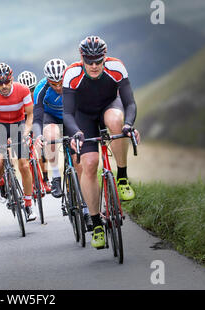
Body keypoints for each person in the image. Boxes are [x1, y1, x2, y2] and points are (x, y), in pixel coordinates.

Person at [63, 35, 140, 248]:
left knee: (116, 121)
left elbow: (130, 103)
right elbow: (67, 113)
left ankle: (122, 178)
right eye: (89, 61)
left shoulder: (116, 67)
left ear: (105, 56)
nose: (94, 65)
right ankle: (96, 223)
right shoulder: (72, 74)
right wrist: (76, 132)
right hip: (83, 117)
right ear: (82, 57)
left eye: (98, 60)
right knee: (88, 164)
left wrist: (129, 125)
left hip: (109, 106)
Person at [0, 62, 37, 221]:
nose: (4, 86)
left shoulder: (23, 90)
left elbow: (30, 115)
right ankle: (1, 182)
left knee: (24, 165)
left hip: (19, 125)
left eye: (7, 82)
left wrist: (26, 132)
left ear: (12, 79)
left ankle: (28, 204)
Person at [32, 58, 69, 199]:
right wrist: (37, 135)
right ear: (48, 80)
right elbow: (37, 117)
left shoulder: (73, 83)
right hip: (50, 116)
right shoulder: (41, 89)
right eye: (54, 84)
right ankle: (56, 177)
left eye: (61, 82)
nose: (59, 87)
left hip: (70, 116)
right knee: (51, 135)